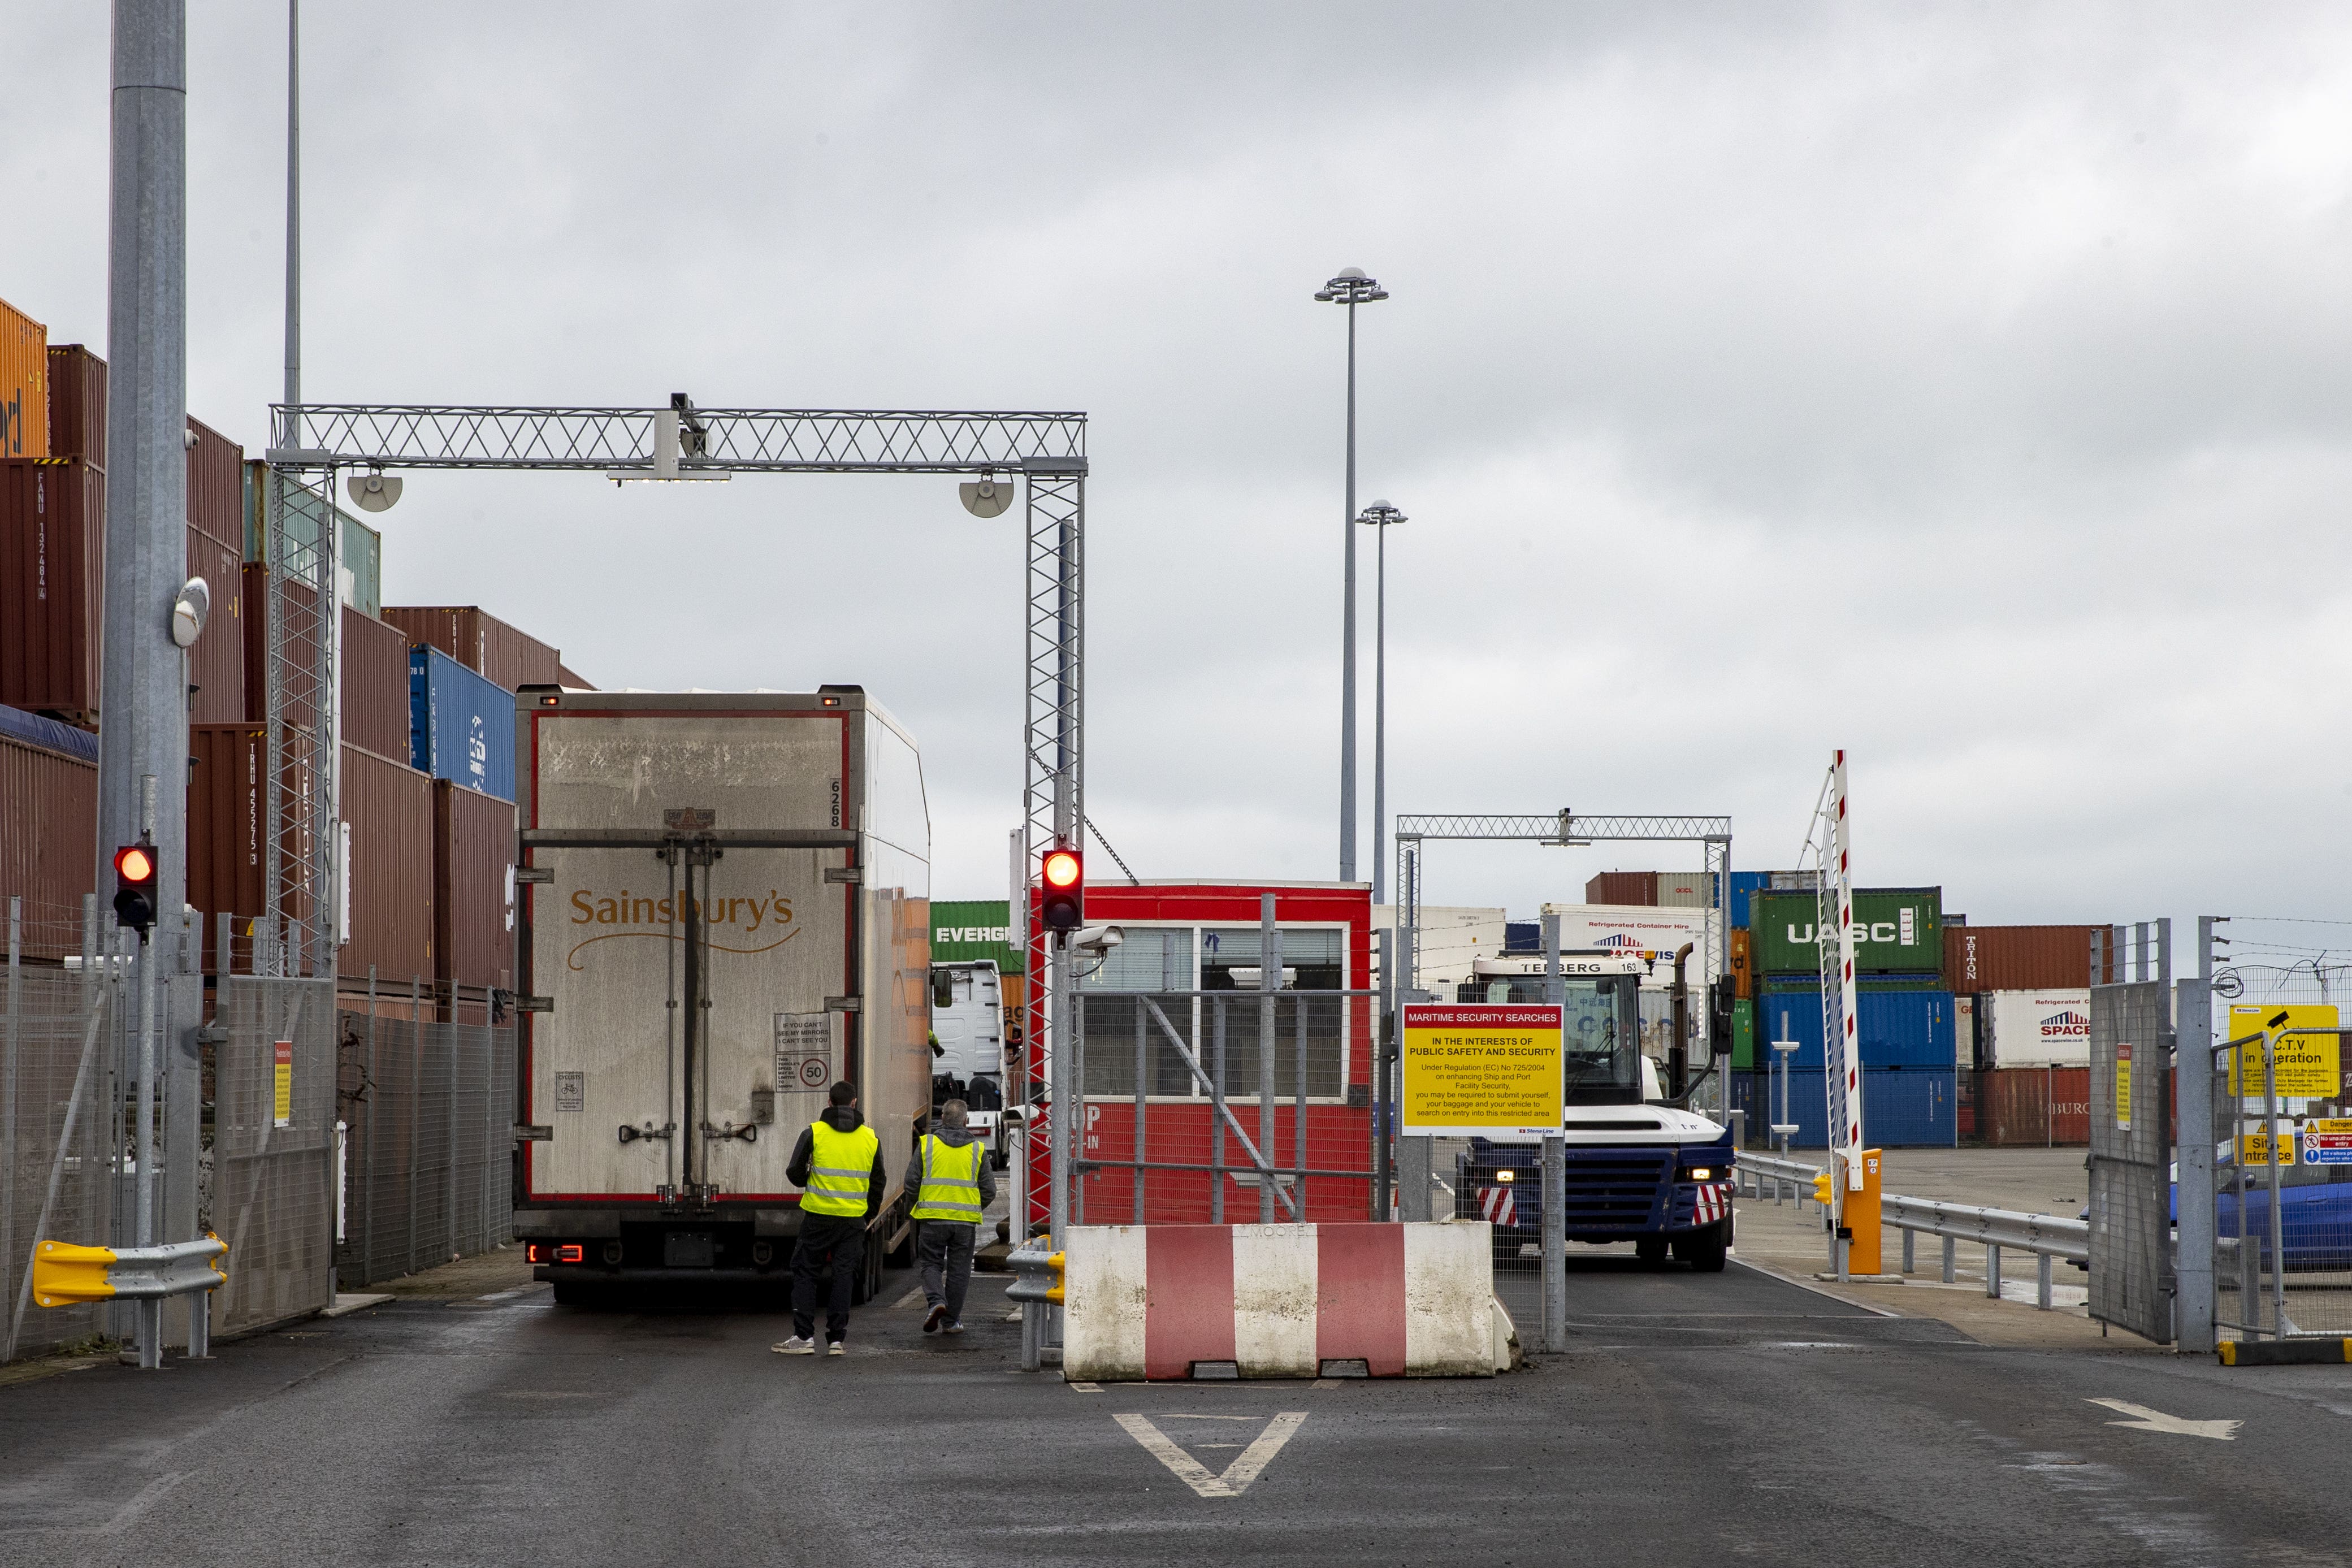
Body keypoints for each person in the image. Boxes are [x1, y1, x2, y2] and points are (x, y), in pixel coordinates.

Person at [774, 1080, 886, 1357]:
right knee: (843, 1277)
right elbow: (878, 1182)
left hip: (818, 1217)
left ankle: (803, 1338)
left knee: (806, 1273)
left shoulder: (814, 1133)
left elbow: (794, 1172)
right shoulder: (870, 1139)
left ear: (829, 1103)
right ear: (854, 1103)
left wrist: (809, 1177)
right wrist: (868, 1214)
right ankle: (837, 1341)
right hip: (852, 1221)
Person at [906, 1098, 997, 1335]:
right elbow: (989, 1190)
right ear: (966, 1121)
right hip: (964, 1224)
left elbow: (912, 1183)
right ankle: (951, 1321)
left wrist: (917, 1208)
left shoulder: (927, 1145)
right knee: (959, 1272)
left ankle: (936, 1301)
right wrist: (971, 1207)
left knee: (930, 1264)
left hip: (932, 1219)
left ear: (943, 1118)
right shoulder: (977, 1149)